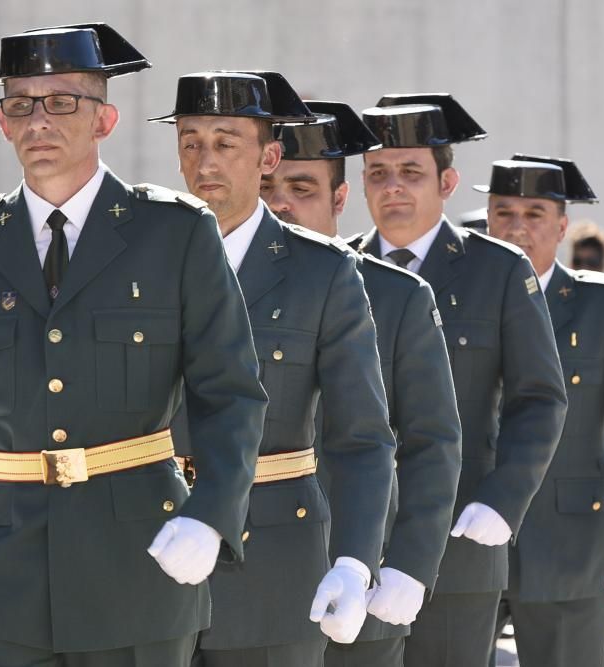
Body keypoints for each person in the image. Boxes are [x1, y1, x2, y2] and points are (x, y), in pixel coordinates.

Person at [0, 24, 267, 667]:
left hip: (138, 564)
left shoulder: (176, 232)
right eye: (20, 104)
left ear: (104, 120)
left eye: (61, 102)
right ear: (2, 121)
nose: (38, 121)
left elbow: (231, 392)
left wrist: (212, 515)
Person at [151, 72, 396, 666]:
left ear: (268, 156)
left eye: (225, 142)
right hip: (148, 556)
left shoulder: (323, 273)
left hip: (271, 570)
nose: (205, 161)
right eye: (190, 142)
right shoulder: (136, 259)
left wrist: (356, 559)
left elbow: (362, 436)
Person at [353, 95, 567, 667]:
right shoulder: (338, 269)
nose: (392, 186)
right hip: (352, 541)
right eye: (378, 173)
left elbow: (539, 398)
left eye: (411, 173)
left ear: (447, 182)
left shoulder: (498, 270)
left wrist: (503, 500)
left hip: (458, 540)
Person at [263, 101, 463, 667]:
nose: (281, 202)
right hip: (254, 581)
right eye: (269, 185)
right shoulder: (219, 285)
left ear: (340, 199)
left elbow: (432, 443)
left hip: (363, 572)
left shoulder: (397, 297)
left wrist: (411, 564)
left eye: (302, 187)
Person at [482, 155, 604, 666]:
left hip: (569, 541)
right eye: (503, 212)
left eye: (534, 214)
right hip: (464, 538)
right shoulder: (451, 298)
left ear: (562, 226)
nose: (517, 227)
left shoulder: (603, 306)